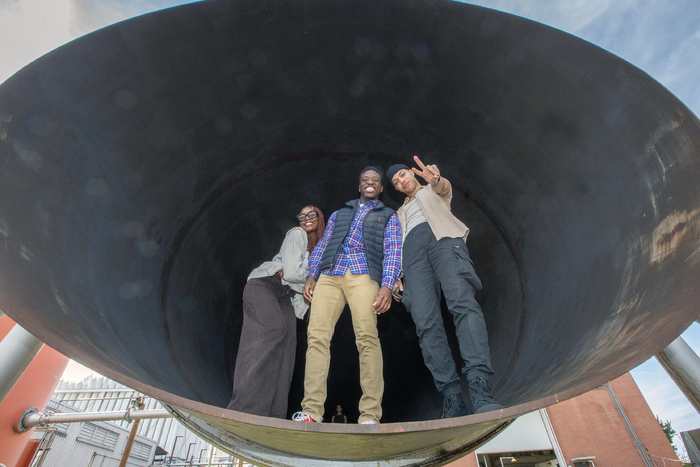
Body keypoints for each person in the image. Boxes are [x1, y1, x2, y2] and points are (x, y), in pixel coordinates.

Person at [387, 156, 503, 417]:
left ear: (412, 174)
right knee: (426, 323)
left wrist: (436, 180)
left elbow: (443, 188)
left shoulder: (431, 191)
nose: (401, 180)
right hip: (411, 256)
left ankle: (480, 389)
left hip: (443, 242)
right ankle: (452, 399)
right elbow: (393, 247)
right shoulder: (397, 216)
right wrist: (394, 275)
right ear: (395, 189)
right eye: (396, 182)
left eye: (403, 174)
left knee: (463, 305)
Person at [293, 167, 402, 424]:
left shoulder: (388, 215)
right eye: (366, 180)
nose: (370, 183)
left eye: (376, 180)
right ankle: (311, 412)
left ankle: (370, 415)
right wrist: (312, 274)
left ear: (381, 188)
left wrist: (386, 285)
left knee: (366, 337)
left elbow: (393, 250)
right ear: (359, 185)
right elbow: (324, 243)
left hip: (363, 274)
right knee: (317, 337)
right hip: (331, 275)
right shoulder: (339, 214)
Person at [228, 205, 326, 418]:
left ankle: (273, 414)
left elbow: (298, 278)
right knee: (273, 329)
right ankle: (245, 408)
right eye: (302, 215)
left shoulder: (320, 248)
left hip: (285, 296)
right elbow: (291, 272)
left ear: (320, 218)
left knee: (288, 346)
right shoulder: (296, 233)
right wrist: (312, 280)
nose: (306, 218)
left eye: (312, 214)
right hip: (264, 285)